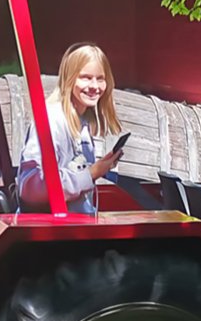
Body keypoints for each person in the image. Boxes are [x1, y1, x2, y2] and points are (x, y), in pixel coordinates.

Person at [17, 44, 123, 213]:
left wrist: (103, 166)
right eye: (86, 78)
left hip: (77, 221)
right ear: (69, 78)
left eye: (100, 78)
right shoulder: (52, 120)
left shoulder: (83, 122)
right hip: (53, 226)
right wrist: (91, 174)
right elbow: (31, 188)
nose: (94, 86)